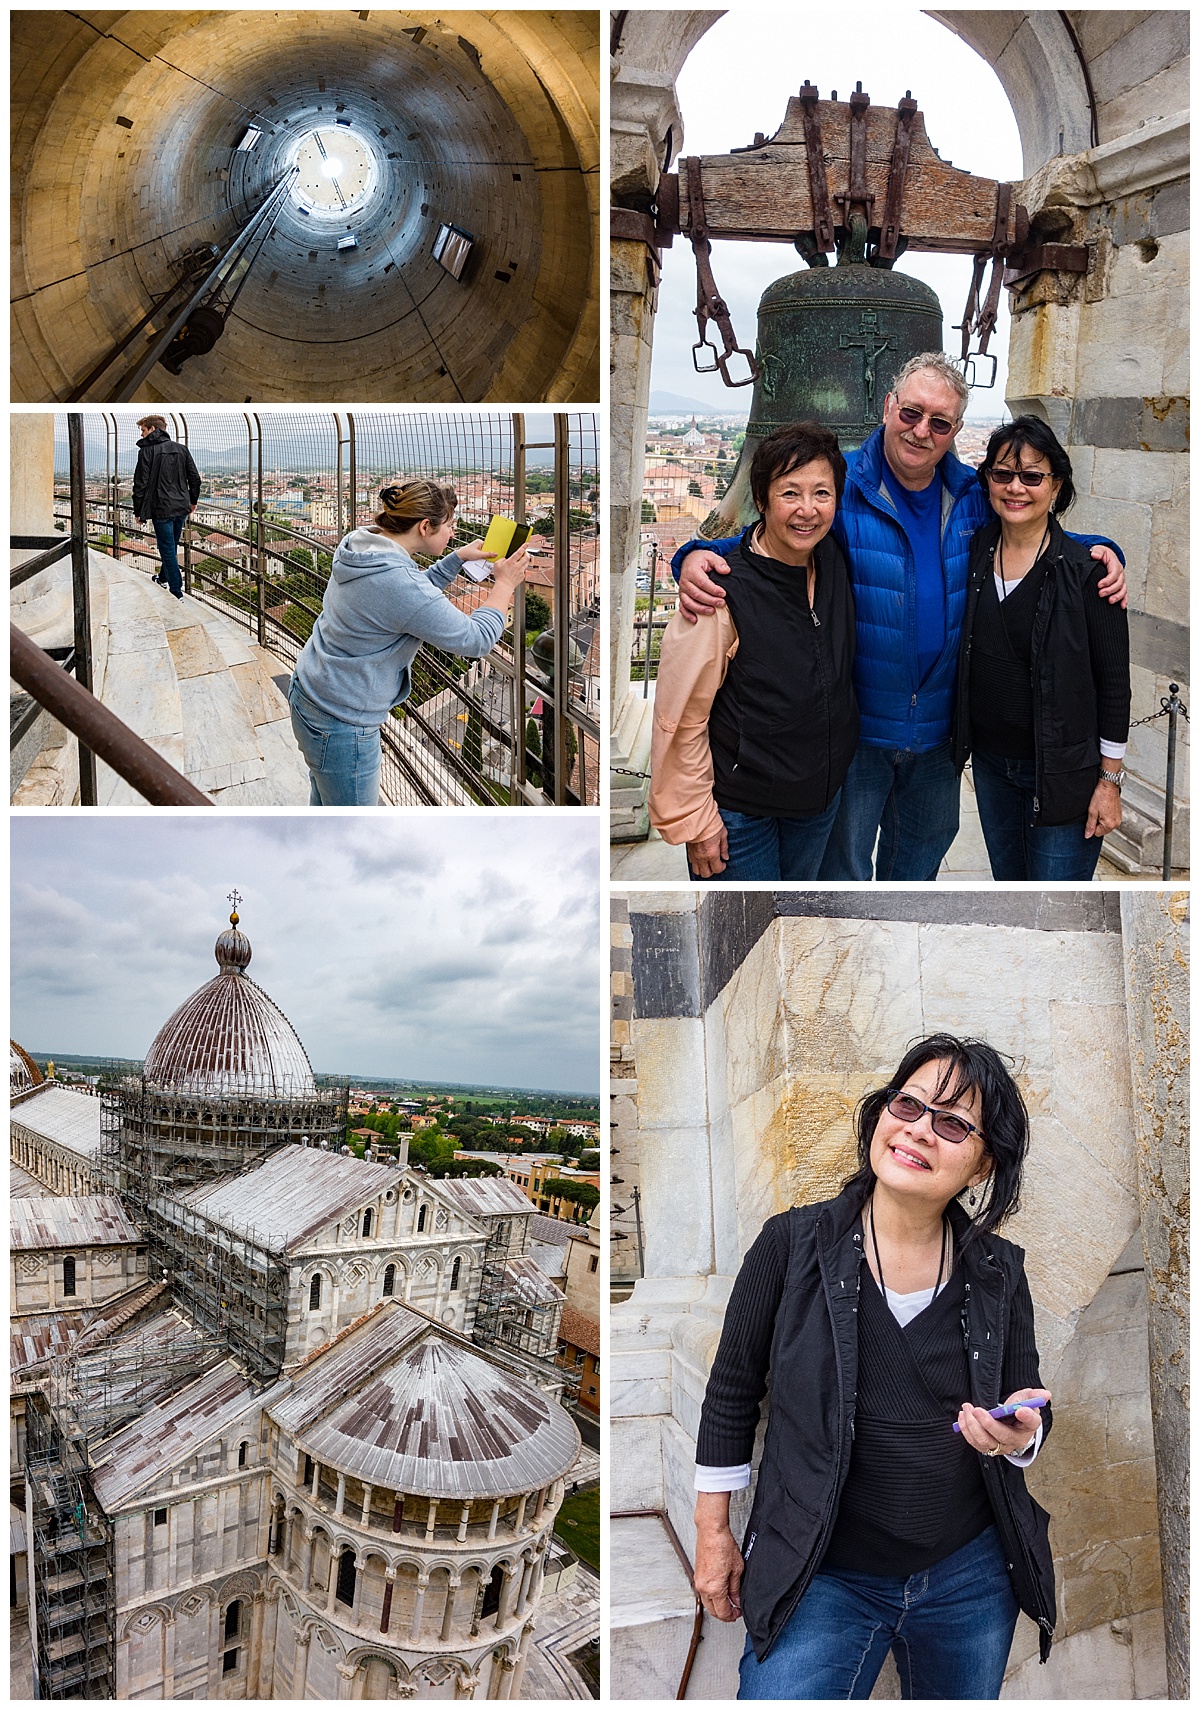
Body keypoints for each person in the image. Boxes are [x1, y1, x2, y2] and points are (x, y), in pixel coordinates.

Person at [693, 1034, 1054, 1701]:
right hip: (822, 1572)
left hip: (968, 1576)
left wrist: (1023, 1433)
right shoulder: (792, 1244)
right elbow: (732, 1394)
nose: (918, 1131)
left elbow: (1027, 1400)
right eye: (908, 1105)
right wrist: (713, 1537)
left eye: (951, 1123)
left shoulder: (1001, 1272)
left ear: (982, 1166)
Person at [673, 353, 1127, 880]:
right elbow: (773, 536)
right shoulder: (841, 489)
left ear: (955, 429)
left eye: (939, 422)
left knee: (915, 874)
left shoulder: (972, 496)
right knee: (841, 875)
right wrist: (693, 557)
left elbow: (1032, 525)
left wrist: (1101, 547)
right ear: (888, 406)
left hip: (938, 737)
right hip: (858, 733)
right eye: (911, 413)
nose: (921, 431)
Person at [648, 423, 857, 879]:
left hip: (817, 801)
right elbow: (682, 715)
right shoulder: (717, 593)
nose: (808, 510)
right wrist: (695, 818)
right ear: (760, 500)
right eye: (789, 494)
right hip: (740, 815)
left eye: (822, 493)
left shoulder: (834, 560)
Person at [953, 417, 1130, 880]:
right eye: (1002, 474)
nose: (1016, 488)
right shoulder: (974, 553)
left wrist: (1109, 783)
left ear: (1056, 488)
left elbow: (1114, 686)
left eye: (1032, 476)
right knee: (1009, 887)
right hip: (991, 769)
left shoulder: (1089, 574)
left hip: (1064, 773)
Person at [288, 479, 528, 806]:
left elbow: (404, 600)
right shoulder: (399, 583)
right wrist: (505, 585)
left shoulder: (360, 545)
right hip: (341, 722)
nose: (453, 532)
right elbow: (477, 639)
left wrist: (456, 558)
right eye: (450, 525)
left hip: (312, 691)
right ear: (425, 526)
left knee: (326, 804)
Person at [132, 415, 201, 600]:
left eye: (143, 430)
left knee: (167, 549)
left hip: (161, 508)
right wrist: (192, 501)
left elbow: (140, 484)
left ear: (153, 429)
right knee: (171, 545)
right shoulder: (181, 449)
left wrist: (138, 511)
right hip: (181, 507)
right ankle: (162, 578)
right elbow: (195, 478)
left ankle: (176, 591)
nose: (142, 434)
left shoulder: (146, 451)